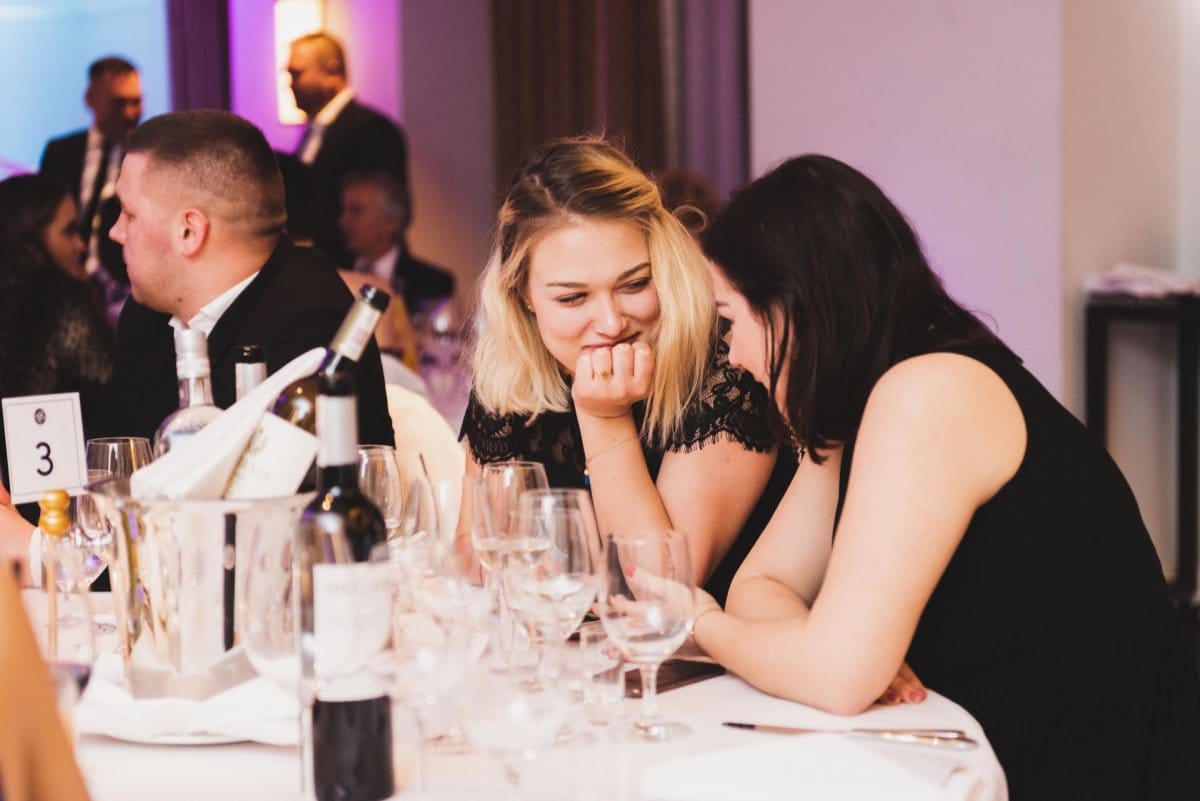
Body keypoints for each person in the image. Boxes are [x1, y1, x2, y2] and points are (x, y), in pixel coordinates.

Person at [691, 154, 1200, 800]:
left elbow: (836, 675)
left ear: (791, 305)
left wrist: (700, 626)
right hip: (990, 715)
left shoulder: (927, 392)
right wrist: (833, 651)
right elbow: (762, 585)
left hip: (1085, 736)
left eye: (731, 320)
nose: (732, 356)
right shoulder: (853, 397)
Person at [458, 137, 795, 604]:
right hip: (582, 658)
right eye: (573, 297)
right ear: (523, 296)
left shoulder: (727, 362)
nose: (612, 323)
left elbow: (661, 587)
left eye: (635, 284)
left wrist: (603, 418)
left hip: (714, 668)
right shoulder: (514, 366)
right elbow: (474, 552)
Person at [89, 110, 393, 448]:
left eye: (129, 213)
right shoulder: (146, 315)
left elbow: (272, 491)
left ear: (189, 230)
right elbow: (109, 464)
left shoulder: (310, 327)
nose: (116, 232)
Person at [0, 174, 115, 498]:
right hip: (58, 498)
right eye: (68, 231)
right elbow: (115, 386)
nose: (81, 244)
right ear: (31, 238)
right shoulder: (60, 301)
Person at [286, 32, 408, 263]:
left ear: (330, 72)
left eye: (297, 73)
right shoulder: (311, 132)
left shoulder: (372, 129)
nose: (291, 84)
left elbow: (387, 211)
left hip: (355, 269)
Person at [39, 56, 142, 305]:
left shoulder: (146, 154)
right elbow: (42, 218)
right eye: (118, 103)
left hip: (127, 289)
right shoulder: (61, 152)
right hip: (64, 286)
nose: (128, 113)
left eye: (135, 102)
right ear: (91, 100)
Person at [340, 170, 454, 316]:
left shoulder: (433, 284)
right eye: (344, 210)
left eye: (356, 211)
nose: (343, 220)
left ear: (390, 222)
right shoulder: (333, 272)